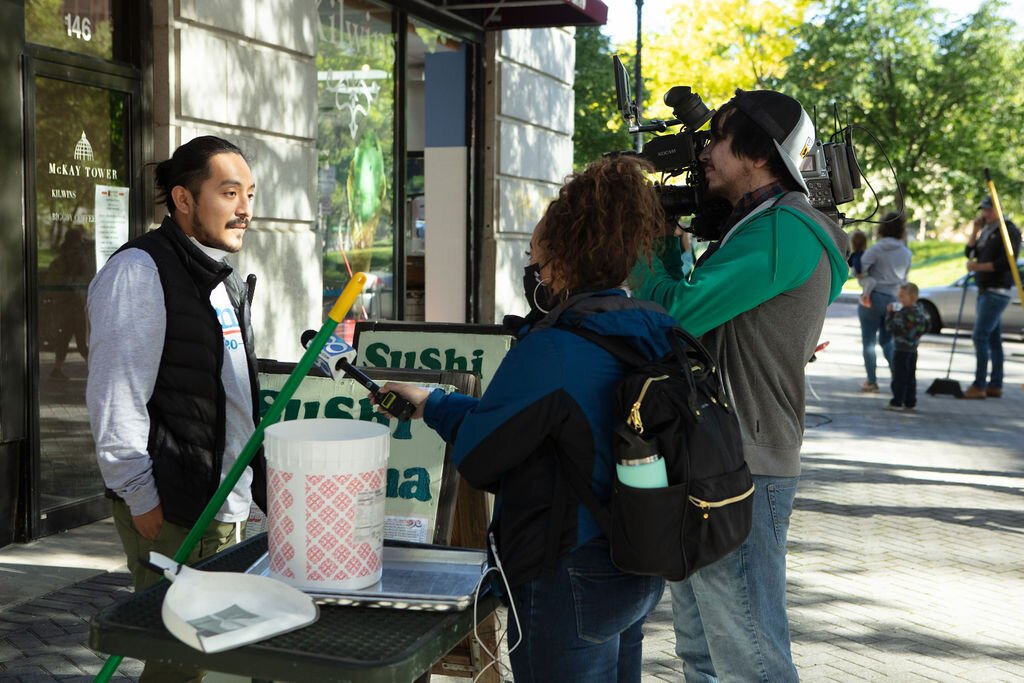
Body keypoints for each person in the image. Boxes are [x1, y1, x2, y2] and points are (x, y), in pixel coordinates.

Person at [378, 156, 675, 681]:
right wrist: (433, 402)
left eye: (535, 260)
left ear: (563, 261)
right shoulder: (651, 327)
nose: (533, 272)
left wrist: (440, 408)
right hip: (635, 555)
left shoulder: (554, 349)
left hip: (567, 569)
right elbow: (551, 427)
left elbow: (483, 452)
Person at [629, 89, 849, 682]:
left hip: (742, 466)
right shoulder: (760, 229)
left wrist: (646, 237)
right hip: (718, 456)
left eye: (718, 138)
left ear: (757, 154)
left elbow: (673, 316)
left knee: (749, 656)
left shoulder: (783, 232)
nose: (704, 153)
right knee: (701, 652)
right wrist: (671, 250)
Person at [86, 136, 265, 682]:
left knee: (210, 661)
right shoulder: (140, 272)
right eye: (229, 192)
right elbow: (116, 396)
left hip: (223, 502)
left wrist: (250, 493)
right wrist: (140, 495)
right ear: (184, 200)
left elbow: (229, 394)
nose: (244, 209)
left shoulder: (217, 276)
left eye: (250, 194)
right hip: (175, 505)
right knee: (179, 663)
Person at [961, 195, 1021, 399]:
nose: (984, 214)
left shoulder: (1008, 230)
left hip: (997, 290)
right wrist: (974, 232)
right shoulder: (986, 230)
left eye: (988, 210)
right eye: (983, 210)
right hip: (984, 289)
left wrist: (978, 267)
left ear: (997, 209)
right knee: (994, 339)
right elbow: (968, 252)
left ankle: (980, 384)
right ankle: (995, 384)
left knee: (980, 336)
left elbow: (1008, 261)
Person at [857, 212, 912, 393]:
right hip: (894, 299)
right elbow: (905, 278)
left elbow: (861, 268)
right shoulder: (905, 252)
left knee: (869, 342)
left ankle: (872, 382)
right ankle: (898, 377)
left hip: (873, 298)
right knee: (888, 341)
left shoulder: (876, 249)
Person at [45, 227, 95, 379]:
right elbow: (86, 275)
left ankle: (57, 369)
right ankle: (94, 371)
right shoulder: (78, 256)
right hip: (74, 304)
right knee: (80, 341)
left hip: (65, 304)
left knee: (65, 339)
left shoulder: (61, 257)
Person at [884, 282, 928, 411]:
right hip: (913, 349)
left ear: (913, 297)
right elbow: (926, 327)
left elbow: (890, 328)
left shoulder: (902, 313)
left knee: (899, 376)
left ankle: (897, 401)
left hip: (901, 348)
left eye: (902, 296)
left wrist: (890, 314)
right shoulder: (920, 312)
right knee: (910, 376)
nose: (899, 299)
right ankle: (910, 401)